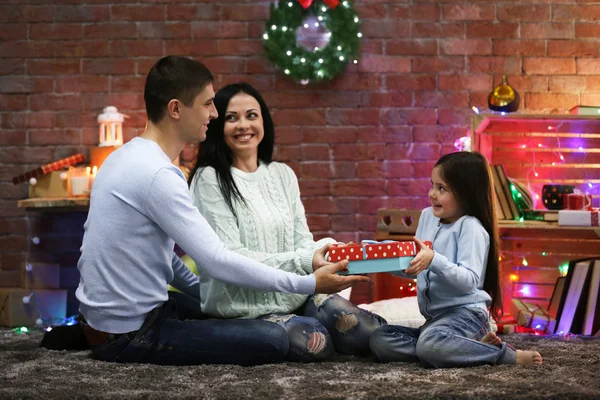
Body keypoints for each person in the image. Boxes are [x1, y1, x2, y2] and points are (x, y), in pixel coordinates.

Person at [74, 56, 368, 366]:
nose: (214, 114)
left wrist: (200, 295)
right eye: (207, 104)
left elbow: (160, 256)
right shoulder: (158, 175)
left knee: (216, 306)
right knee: (273, 339)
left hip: (107, 321)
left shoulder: (124, 157)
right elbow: (217, 261)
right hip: (131, 333)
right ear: (175, 109)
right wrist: (309, 284)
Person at [187, 82, 387, 362]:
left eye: (251, 115)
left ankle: (430, 341)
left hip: (297, 296)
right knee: (317, 342)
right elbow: (231, 256)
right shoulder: (208, 179)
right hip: (244, 311)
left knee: (362, 327)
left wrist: (325, 252)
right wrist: (306, 261)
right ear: (218, 125)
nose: (243, 125)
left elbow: (301, 242)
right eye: (231, 117)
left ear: (264, 121)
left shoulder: (282, 174)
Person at [369, 151, 543, 368]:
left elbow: (468, 280)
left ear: (466, 193)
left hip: (467, 316)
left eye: (442, 188)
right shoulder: (427, 217)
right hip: (436, 322)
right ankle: (465, 348)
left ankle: (502, 355)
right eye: (432, 185)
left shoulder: (471, 227)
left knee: (430, 345)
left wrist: (434, 259)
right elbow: (417, 265)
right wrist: (383, 259)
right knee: (380, 339)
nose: (432, 193)